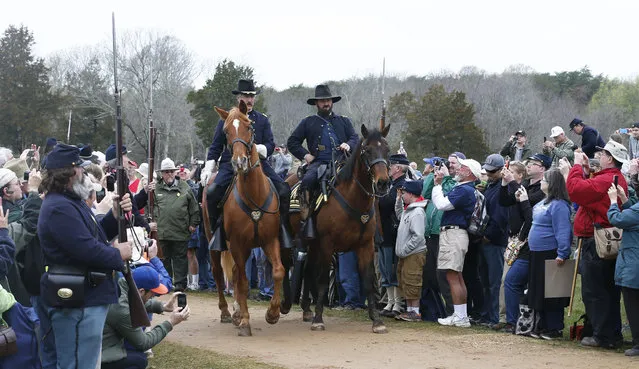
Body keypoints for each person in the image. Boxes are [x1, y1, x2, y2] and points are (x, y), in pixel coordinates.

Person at [37, 143, 133, 369]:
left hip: (83, 296)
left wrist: (114, 215)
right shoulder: (59, 207)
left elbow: (93, 237)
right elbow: (86, 249)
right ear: (70, 172)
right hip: (78, 300)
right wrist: (117, 253)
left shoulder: (69, 202)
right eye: (80, 168)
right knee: (80, 364)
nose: (84, 172)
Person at [200, 79, 292, 251]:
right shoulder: (226, 119)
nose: (248, 100)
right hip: (230, 165)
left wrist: (258, 150)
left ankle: (283, 229)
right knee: (212, 193)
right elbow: (215, 147)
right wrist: (208, 167)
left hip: (259, 164)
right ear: (239, 98)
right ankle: (217, 232)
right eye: (245, 96)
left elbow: (271, 144)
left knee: (284, 189)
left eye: (251, 96)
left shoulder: (262, 120)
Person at [566, 139, 628, 349]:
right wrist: (585, 169)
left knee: (595, 289)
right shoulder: (612, 178)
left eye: (602, 154)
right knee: (608, 289)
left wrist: (575, 167)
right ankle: (611, 333)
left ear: (610, 159)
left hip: (597, 240)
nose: (598, 156)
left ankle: (602, 336)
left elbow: (575, 190)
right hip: (606, 239)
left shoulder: (606, 179)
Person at [286, 84, 358, 238]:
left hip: (343, 161)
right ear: (316, 104)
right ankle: (306, 219)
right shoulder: (308, 122)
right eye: (322, 101)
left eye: (328, 100)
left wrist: (348, 144)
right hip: (320, 162)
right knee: (308, 180)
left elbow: (354, 137)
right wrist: (306, 155)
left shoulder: (344, 121)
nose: (326, 103)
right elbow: (292, 142)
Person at [101, 266, 190, 369]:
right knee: (139, 360)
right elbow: (144, 342)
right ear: (142, 291)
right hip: (101, 355)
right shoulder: (122, 309)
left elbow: (137, 301)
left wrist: (163, 306)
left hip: (98, 347)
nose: (152, 297)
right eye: (152, 295)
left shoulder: (123, 285)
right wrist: (170, 323)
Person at [433, 158, 482, 328]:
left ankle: (461, 316)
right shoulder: (465, 189)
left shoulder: (464, 190)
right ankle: (460, 314)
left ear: (469, 172)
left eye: (463, 167)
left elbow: (441, 204)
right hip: (455, 233)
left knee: (453, 275)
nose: (459, 168)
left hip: (453, 234)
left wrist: (437, 185)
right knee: (456, 275)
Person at [527, 169, 572, 340]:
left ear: (552, 184)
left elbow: (562, 230)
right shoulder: (542, 202)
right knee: (539, 289)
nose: (541, 182)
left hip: (550, 251)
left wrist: (562, 252)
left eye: (544, 180)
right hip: (536, 252)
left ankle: (554, 327)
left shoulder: (559, 205)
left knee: (552, 290)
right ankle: (542, 323)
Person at [154, 158, 200, 292]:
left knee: (180, 259)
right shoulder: (155, 188)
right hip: (162, 232)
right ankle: (165, 283)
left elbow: (194, 207)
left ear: (175, 173)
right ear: (162, 174)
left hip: (180, 231)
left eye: (171, 172)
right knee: (164, 259)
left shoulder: (185, 187)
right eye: (166, 172)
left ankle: (180, 284)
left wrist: (193, 224)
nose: (169, 174)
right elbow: (148, 207)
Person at [606, 182, 639, 356]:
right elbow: (633, 213)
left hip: (634, 264)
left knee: (633, 304)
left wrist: (613, 201)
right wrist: (624, 199)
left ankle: (638, 343)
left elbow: (617, 219)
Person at [479, 154, 511, 327]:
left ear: (501, 170)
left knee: (494, 282)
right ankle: (486, 315)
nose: (489, 174)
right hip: (485, 239)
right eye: (488, 171)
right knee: (485, 280)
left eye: (492, 171)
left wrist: (488, 235)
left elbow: (500, 217)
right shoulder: (491, 186)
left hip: (495, 240)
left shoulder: (501, 188)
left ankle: (493, 317)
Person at [378, 154, 408, 317]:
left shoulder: (402, 184)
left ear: (397, 168)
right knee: (384, 269)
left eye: (391, 166)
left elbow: (387, 203)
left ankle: (397, 303)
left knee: (392, 268)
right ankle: (389, 302)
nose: (388, 169)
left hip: (393, 231)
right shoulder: (390, 184)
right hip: (384, 231)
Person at [394, 180, 427, 322]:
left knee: (413, 280)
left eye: (404, 193)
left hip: (413, 253)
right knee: (405, 281)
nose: (403, 195)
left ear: (412, 194)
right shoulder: (409, 210)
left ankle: (415, 312)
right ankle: (409, 311)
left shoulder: (417, 212)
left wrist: (405, 249)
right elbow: (400, 215)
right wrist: (398, 201)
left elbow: (418, 236)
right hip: (406, 253)